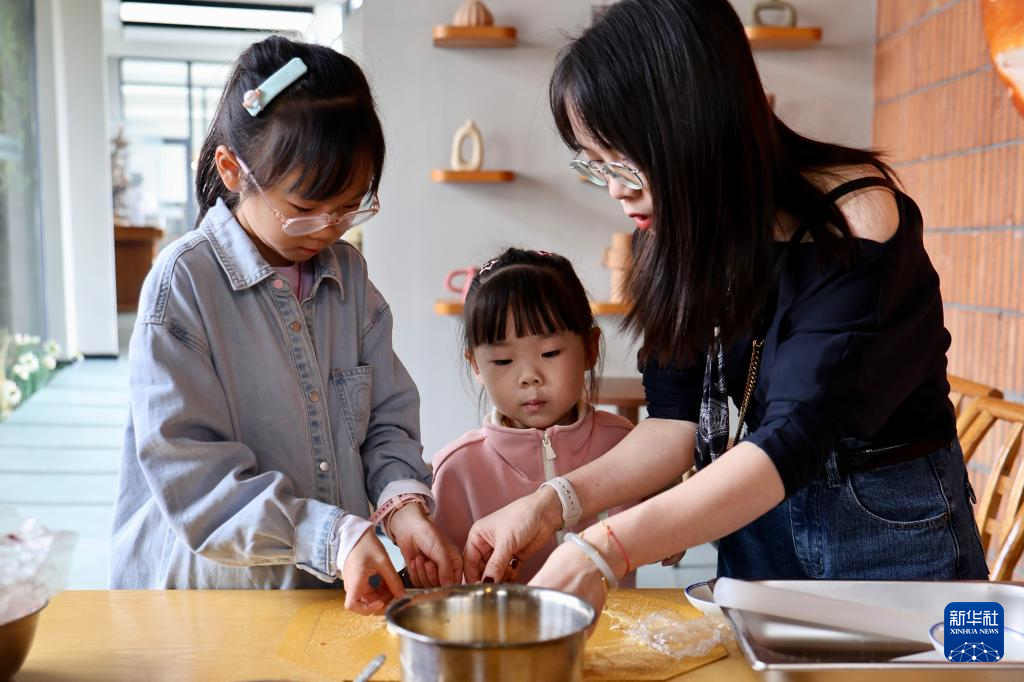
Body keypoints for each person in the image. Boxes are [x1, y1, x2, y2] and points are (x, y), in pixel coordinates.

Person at [461, 0, 988, 613]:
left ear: (698, 129)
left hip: (894, 536)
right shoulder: (670, 230)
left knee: (953, 674)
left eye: (626, 163)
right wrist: (551, 502)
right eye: (595, 165)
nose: (614, 190)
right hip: (755, 522)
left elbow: (793, 435)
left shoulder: (859, 220)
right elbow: (674, 421)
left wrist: (605, 548)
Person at [111, 36, 460, 613]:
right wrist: (333, 535)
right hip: (208, 608)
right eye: (304, 209)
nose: (330, 227)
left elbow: (385, 423)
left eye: (351, 206)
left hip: (322, 594)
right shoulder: (183, 286)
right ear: (232, 170)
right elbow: (196, 481)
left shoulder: (349, 279)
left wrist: (403, 506)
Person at [430, 248, 637, 585]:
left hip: (610, 630)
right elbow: (447, 586)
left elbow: (672, 544)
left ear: (590, 349)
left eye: (550, 352)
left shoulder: (626, 446)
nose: (529, 376)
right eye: (503, 361)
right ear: (476, 366)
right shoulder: (458, 468)